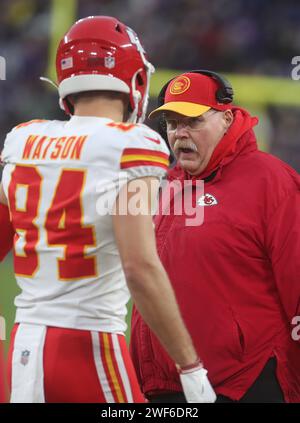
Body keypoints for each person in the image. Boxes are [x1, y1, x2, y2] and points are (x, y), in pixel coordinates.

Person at [0, 18, 216, 403]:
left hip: (23, 348)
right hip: (88, 346)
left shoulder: (23, 140)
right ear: (134, 80)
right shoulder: (133, 144)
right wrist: (190, 366)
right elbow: (140, 267)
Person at [130, 70, 300, 403]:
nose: (180, 134)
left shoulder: (271, 182)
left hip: (242, 382)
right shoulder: (164, 184)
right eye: (172, 123)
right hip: (167, 385)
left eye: (192, 122)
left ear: (226, 118)